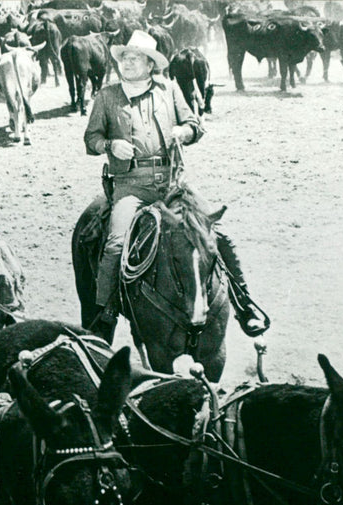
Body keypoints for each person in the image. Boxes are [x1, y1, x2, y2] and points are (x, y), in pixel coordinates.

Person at [83, 30, 269, 340]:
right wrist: (109, 145)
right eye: (124, 58)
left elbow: (196, 126)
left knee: (218, 233)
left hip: (173, 185)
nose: (127, 63)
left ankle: (244, 304)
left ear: (149, 65)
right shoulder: (107, 96)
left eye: (134, 59)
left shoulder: (168, 90)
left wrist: (184, 132)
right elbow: (91, 139)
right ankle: (107, 311)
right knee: (115, 242)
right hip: (131, 187)